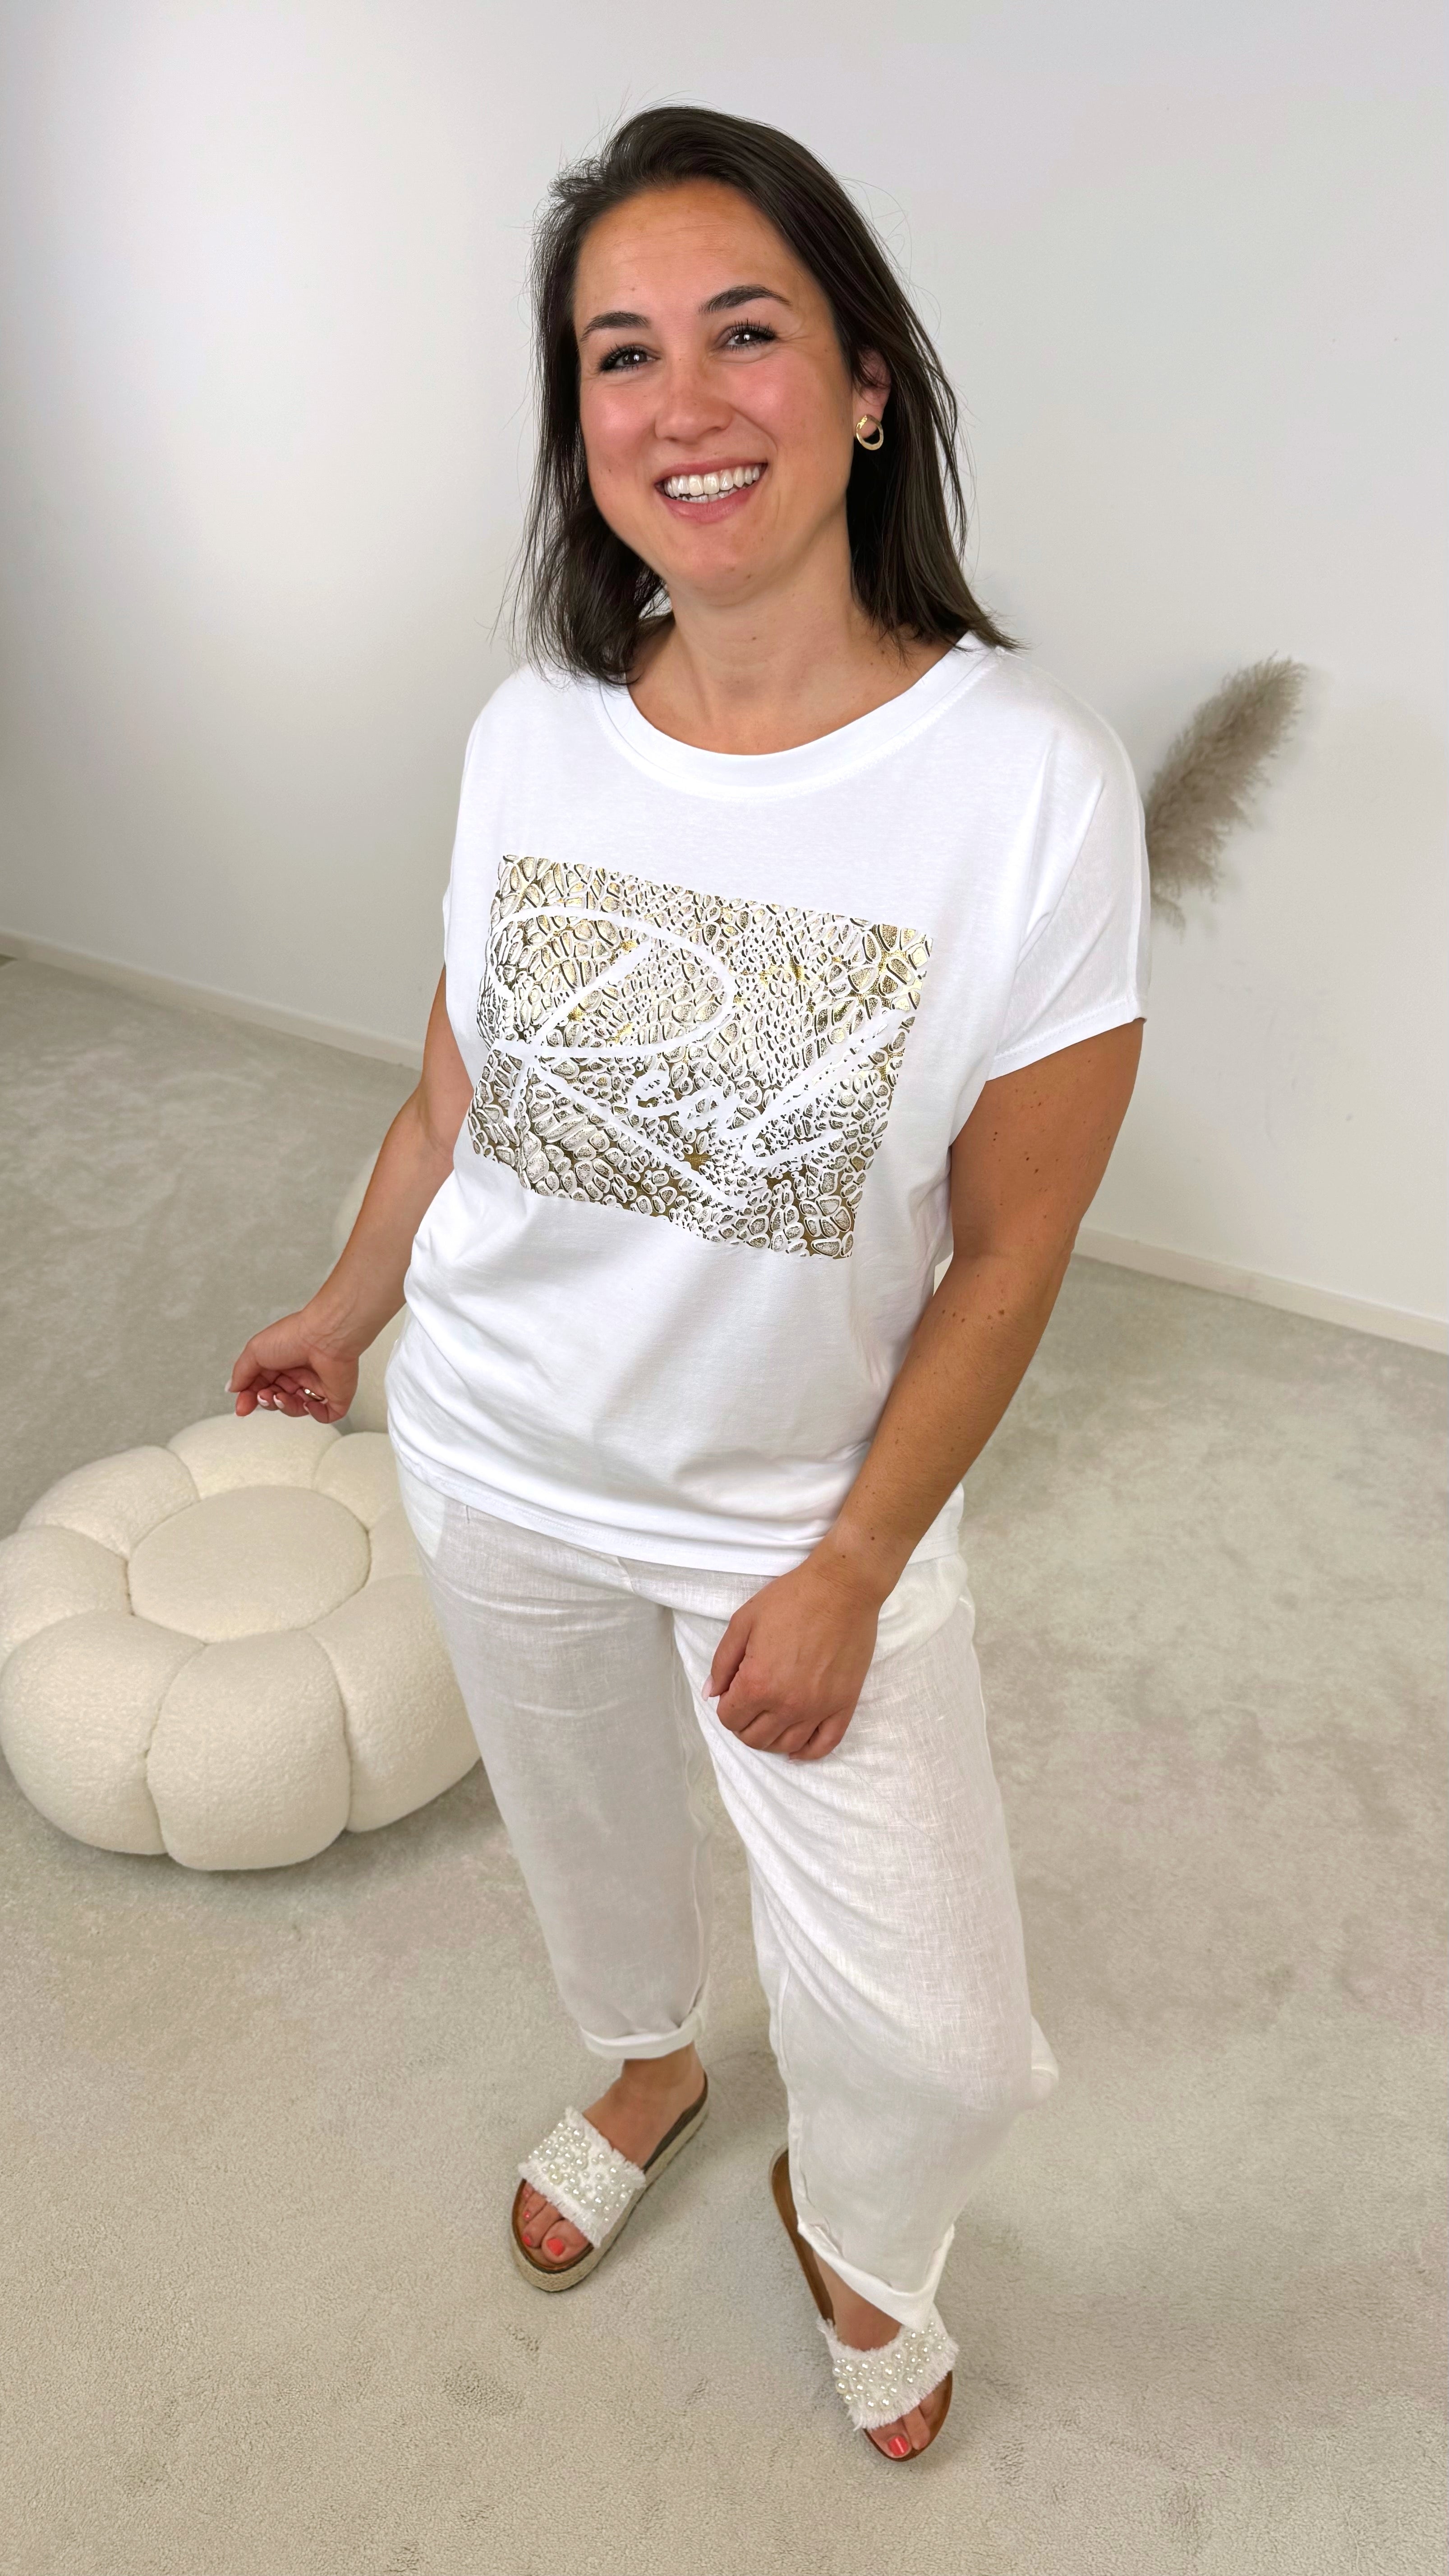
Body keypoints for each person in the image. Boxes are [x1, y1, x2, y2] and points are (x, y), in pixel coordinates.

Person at [230, 105, 1148, 2464]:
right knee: (587, 1836)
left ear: (867, 381)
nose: (683, 402)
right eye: (619, 355)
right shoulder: (534, 735)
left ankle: (859, 2207)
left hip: (793, 1515)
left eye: (747, 331)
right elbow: (456, 1104)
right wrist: (346, 1310)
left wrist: (853, 1564)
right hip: (500, 1451)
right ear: (582, 425)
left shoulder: (1028, 782)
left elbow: (1016, 1244)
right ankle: (645, 2061)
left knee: (943, 2034)